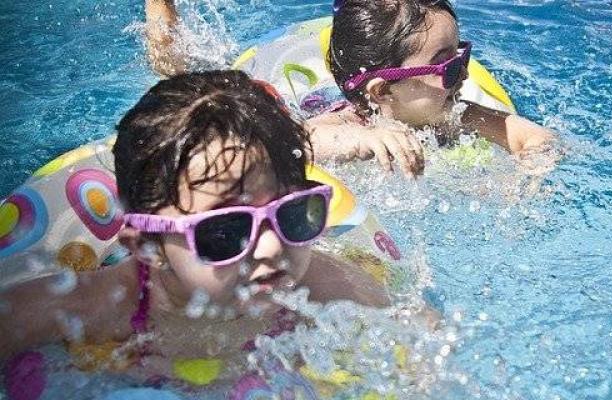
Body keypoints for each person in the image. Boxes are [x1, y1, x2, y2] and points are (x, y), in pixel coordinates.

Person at [0, 70, 389, 380]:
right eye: (225, 231)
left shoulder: (327, 288)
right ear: (146, 245)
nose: (272, 248)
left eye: (292, 214)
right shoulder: (93, 309)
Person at [142, 0, 556, 179]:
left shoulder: (456, 114)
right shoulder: (347, 121)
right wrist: (361, 140)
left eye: (462, 57)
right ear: (382, 92)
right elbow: (292, 145)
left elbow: (534, 138)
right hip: (298, 102)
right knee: (181, 82)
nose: (462, 75)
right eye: (447, 67)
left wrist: (527, 178)